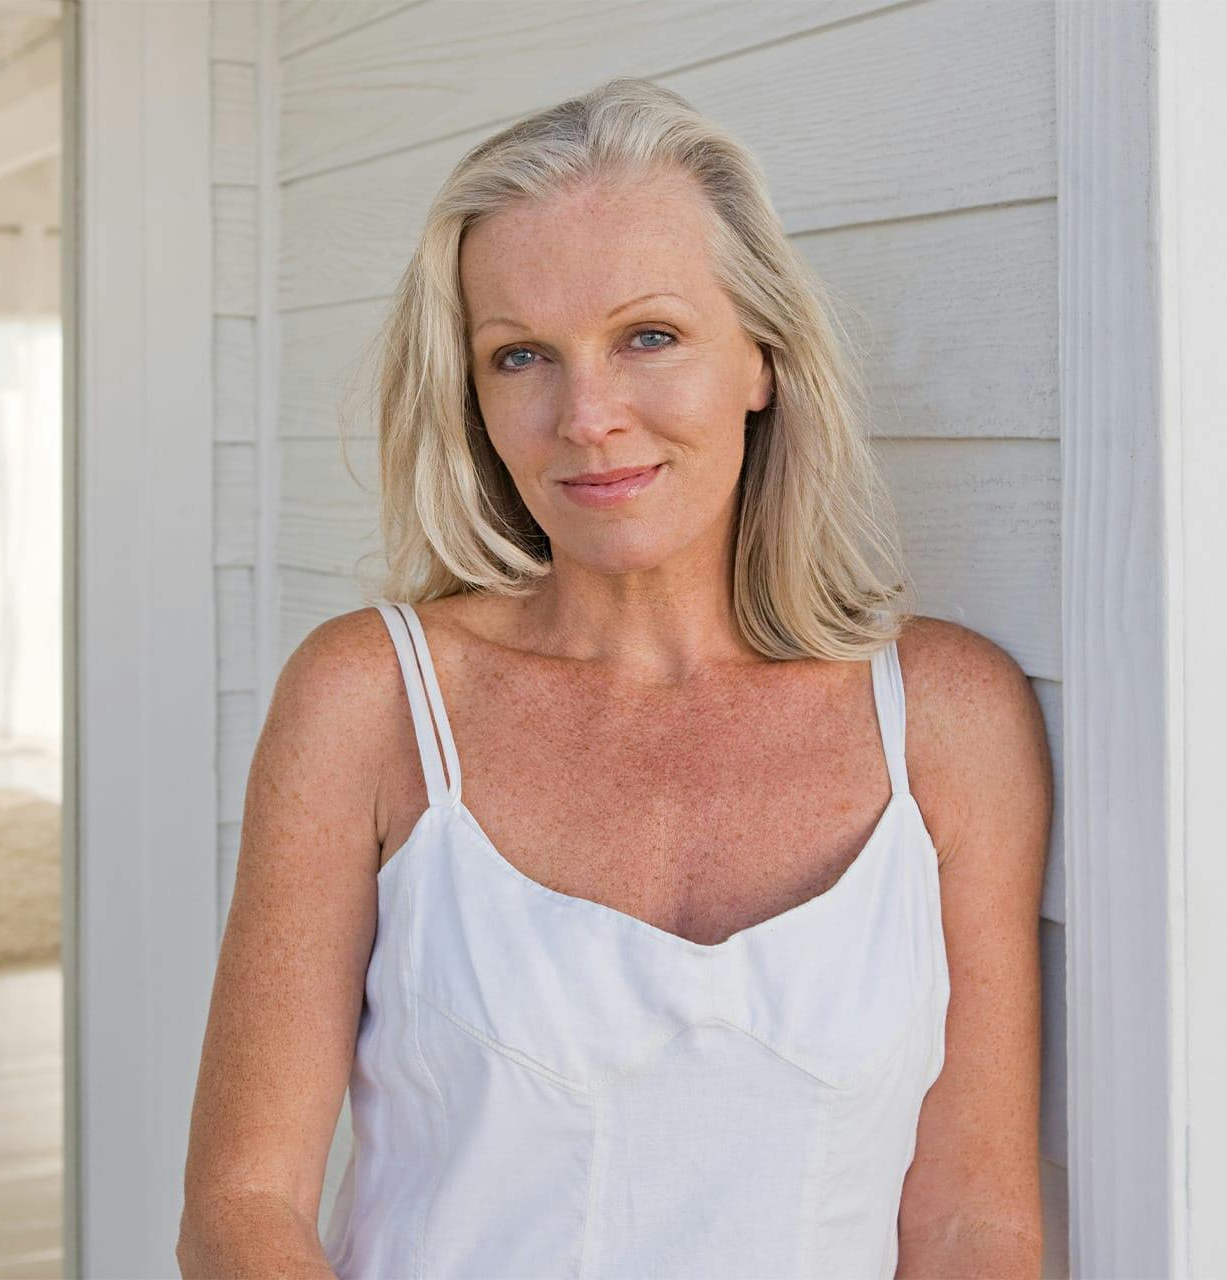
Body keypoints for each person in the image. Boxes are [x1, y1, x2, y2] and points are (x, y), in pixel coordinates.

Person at [177, 77, 1051, 1280]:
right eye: (520, 355)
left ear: (761, 357)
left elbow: (972, 1223)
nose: (585, 415)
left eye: (648, 335)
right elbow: (241, 1206)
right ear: (472, 398)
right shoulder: (370, 698)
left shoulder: (947, 718)